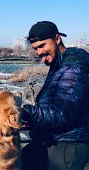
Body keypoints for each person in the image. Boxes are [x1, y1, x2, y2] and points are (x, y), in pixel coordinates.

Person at [20, 21, 89, 170]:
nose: (38, 52)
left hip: (68, 146)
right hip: (53, 141)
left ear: (57, 39)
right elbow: (52, 105)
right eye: (35, 49)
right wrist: (34, 121)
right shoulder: (59, 64)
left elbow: (63, 113)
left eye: (42, 45)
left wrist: (26, 112)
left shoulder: (73, 66)